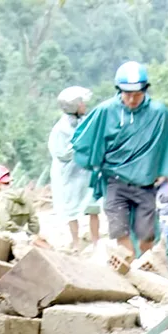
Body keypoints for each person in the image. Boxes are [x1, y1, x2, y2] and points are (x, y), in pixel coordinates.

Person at [71, 61, 168, 257]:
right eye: (127, 94)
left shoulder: (158, 113)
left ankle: (147, 265)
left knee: (146, 235)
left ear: (145, 91)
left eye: (137, 94)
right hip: (115, 181)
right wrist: (95, 161)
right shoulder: (106, 111)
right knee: (119, 230)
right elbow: (84, 138)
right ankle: (130, 269)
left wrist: (165, 171)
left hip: (145, 184)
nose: (131, 100)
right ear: (118, 90)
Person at [50, 86, 101, 251]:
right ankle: (76, 242)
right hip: (70, 175)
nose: (85, 106)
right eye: (82, 104)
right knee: (71, 208)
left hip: (87, 172)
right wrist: (78, 146)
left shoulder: (86, 121)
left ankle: (95, 242)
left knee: (93, 207)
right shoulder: (60, 129)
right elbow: (61, 153)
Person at [0, 163, 41, 238]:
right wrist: (29, 235)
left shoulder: (1, 200)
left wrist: (19, 233)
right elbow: (34, 221)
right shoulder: (24, 196)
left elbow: (5, 223)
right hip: (24, 238)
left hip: (4, 238)